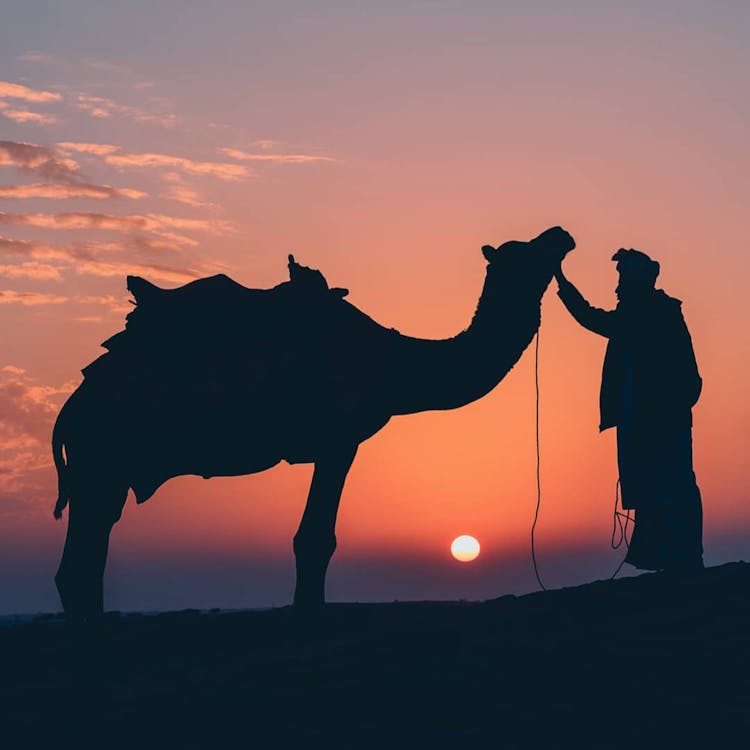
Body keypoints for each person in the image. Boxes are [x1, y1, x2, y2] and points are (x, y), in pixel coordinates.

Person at [555, 248, 704, 572]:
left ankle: (679, 561)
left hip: (654, 419)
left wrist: (563, 284)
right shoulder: (659, 312)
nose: (617, 288)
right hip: (658, 417)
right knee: (665, 485)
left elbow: (592, 318)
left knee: (665, 486)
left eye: (622, 279)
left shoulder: (645, 315)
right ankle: (675, 560)